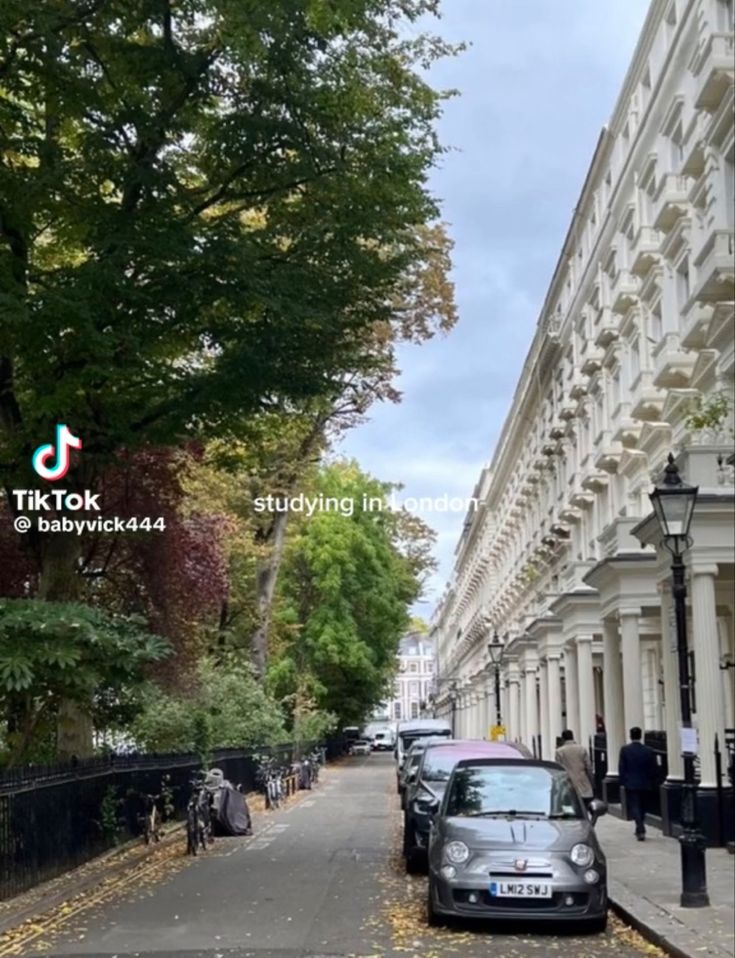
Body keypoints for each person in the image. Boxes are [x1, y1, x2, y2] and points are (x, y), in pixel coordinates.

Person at [618, 727, 659, 841]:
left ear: (631, 736)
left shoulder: (625, 750)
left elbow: (622, 767)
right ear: (641, 736)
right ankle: (639, 827)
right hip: (645, 782)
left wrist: (622, 781)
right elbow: (654, 768)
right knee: (643, 806)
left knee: (635, 806)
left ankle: (640, 828)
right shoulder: (648, 750)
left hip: (631, 782)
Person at [555, 729, 594, 807]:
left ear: (563, 738)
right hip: (582, 782)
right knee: (584, 806)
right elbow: (589, 767)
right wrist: (592, 781)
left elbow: (558, 768)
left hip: (567, 783)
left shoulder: (559, 751)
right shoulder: (582, 749)